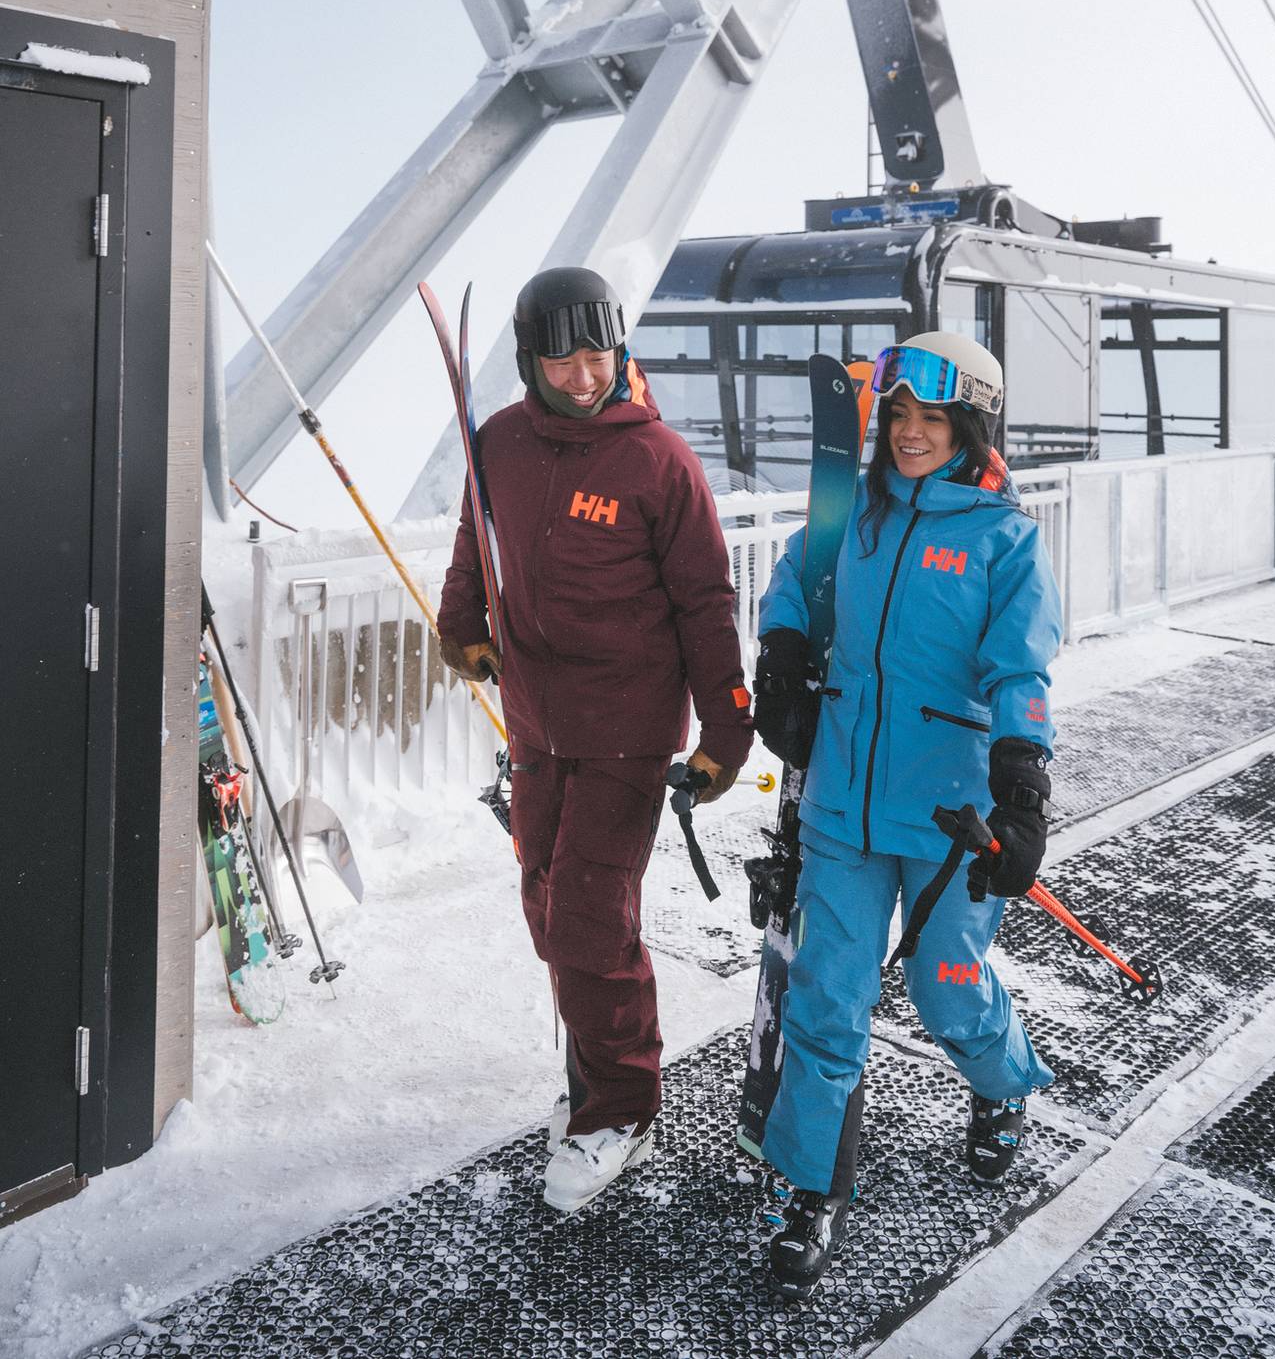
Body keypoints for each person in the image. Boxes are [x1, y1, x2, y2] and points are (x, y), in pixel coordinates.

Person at [437, 265, 754, 1214]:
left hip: (627, 730)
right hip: (536, 718)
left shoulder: (660, 462)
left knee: (585, 912)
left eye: (597, 351)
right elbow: (476, 544)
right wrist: (462, 624)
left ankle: (621, 1105)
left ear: (620, 348)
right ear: (530, 357)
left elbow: (707, 604)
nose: (582, 374)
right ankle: (597, 1067)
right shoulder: (497, 442)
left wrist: (726, 731)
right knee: (548, 907)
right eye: (560, 354)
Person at [751, 330, 1061, 1297]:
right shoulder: (858, 518)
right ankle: (811, 1190)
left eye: (933, 417)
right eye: (898, 415)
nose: (911, 432)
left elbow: (1023, 666)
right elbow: (791, 580)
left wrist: (1023, 777)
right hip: (842, 803)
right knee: (826, 1001)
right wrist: (780, 652)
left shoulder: (1004, 539)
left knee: (949, 990)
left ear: (969, 426)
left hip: (950, 813)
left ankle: (1002, 1086)